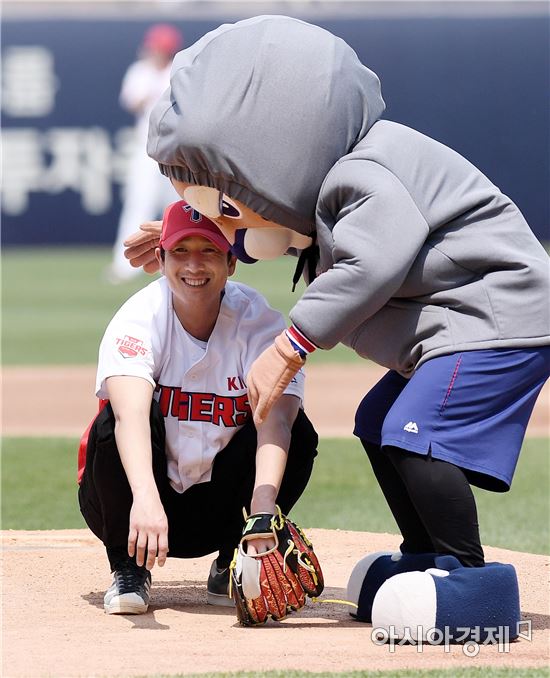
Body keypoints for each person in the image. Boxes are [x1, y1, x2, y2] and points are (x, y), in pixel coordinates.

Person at [124, 16, 549, 637]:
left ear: (273, 158)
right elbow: (272, 236)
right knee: (379, 422)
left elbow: (375, 257)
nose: (220, 224)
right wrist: (176, 234)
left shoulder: (362, 173)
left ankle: (471, 585)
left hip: (497, 316)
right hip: (463, 324)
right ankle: (424, 558)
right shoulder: (335, 183)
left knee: (415, 432)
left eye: (220, 204)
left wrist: (291, 346)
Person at [79, 199, 318, 614]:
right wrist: (145, 498)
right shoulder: (138, 317)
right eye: (180, 251)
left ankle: (232, 559)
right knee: (110, 424)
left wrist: (262, 514)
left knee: (299, 429)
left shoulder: (258, 323)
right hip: (133, 506)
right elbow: (128, 416)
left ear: (232, 261)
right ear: (161, 257)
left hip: (222, 508)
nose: (194, 265)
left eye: (208, 250)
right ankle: (128, 568)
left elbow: (277, 421)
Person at [105, 24, 182, 283]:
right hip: (147, 150)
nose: (156, 52)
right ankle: (126, 263)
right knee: (139, 203)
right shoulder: (141, 71)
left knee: (180, 207)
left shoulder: (178, 70)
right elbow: (132, 101)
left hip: (175, 152)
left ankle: (181, 257)